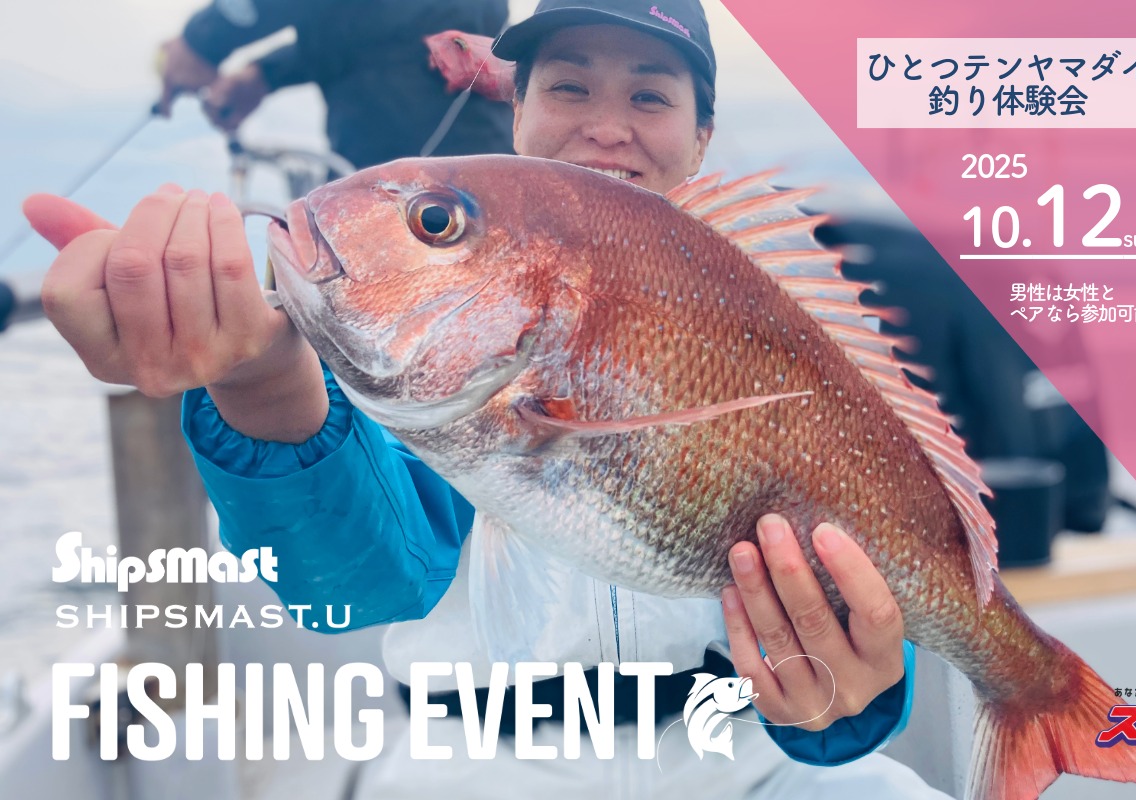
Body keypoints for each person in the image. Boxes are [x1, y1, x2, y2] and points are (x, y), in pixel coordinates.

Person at [26, 1, 949, 796]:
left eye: (651, 96)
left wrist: (848, 699)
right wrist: (262, 383)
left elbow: (869, 525)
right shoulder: (430, 331)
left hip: (743, 759)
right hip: (468, 764)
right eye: (569, 88)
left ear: (702, 136)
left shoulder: (778, 313)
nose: (608, 126)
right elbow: (351, 583)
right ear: (516, 111)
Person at [158, 0, 515, 165]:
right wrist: (267, 73)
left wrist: (204, 39)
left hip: (412, 131)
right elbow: (375, 29)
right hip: (468, 131)